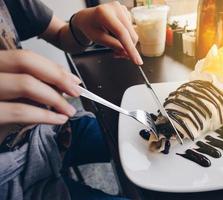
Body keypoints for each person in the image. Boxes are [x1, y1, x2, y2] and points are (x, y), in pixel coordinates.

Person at [0, 0, 143, 199]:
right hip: (11, 184)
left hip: (48, 132)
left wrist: (80, 24)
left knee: (141, 141)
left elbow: (60, 34)